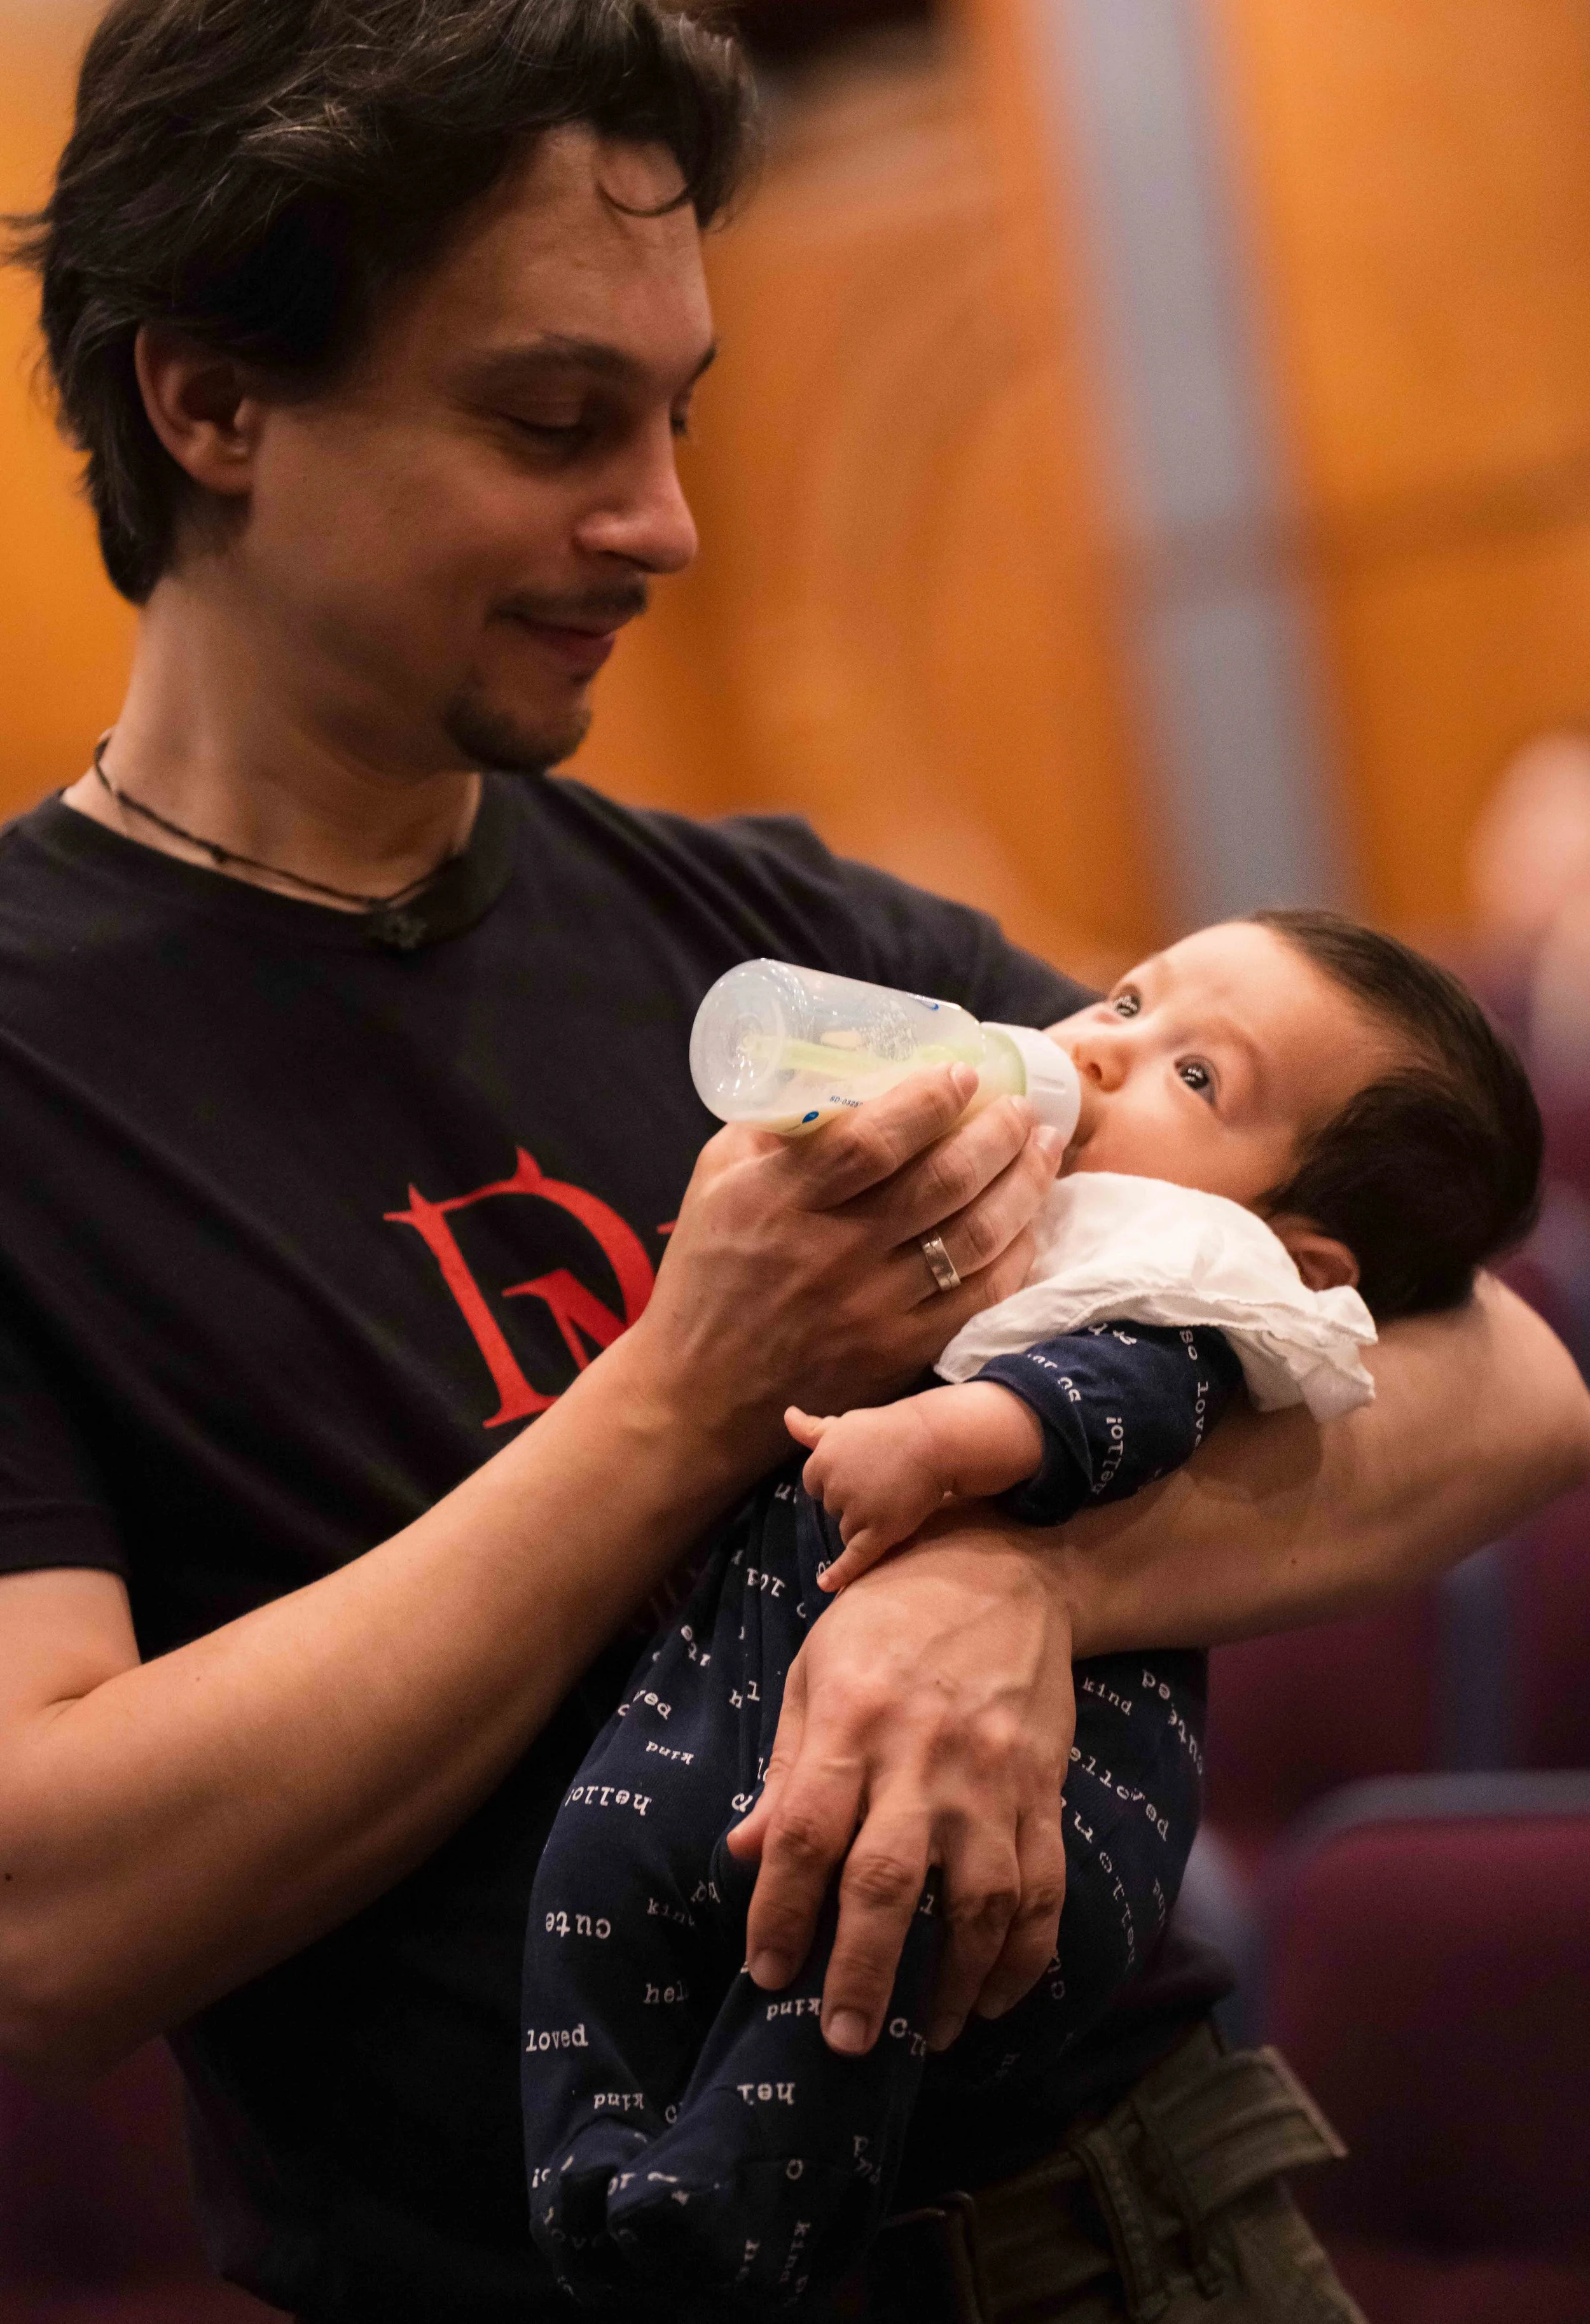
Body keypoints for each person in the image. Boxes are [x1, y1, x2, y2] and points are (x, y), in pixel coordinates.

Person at [0, 4, 1584, 2321]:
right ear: (214, 402)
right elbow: (46, 1918)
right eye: (554, 421)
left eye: (678, 414)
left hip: (1158, 2225)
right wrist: (681, 1399)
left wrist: (1032, 1579)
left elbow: (1505, 1380)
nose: (664, 521)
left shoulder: (793, 930)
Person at [523, 910, 1542, 2311]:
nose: (1104, 1048)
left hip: (1041, 1806)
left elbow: (1117, 1401)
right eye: (1127, 998)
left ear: (1300, 1257)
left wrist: (954, 1449)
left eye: (1197, 1076)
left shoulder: (1183, 1274)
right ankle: (595, 2161)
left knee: (855, 1950)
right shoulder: (997, 1190)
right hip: (734, 1699)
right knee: (595, 1867)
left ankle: (749, 2207)